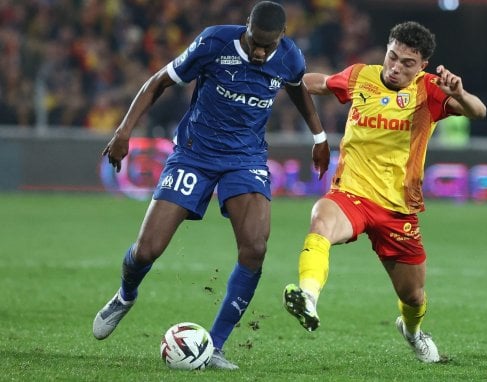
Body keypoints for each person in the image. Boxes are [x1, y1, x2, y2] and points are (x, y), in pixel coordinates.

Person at [92, 1, 330, 370]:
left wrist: (319, 136)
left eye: (268, 45)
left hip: (246, 159)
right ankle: (125, 295)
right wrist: (124, 130)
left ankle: (215, 346)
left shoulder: (289, 57)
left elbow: (298, 88)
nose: (259, 51)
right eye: (254, 41)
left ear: (282, 37)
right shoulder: (213, 43)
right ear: (245, 26)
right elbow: (159, 82)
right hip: (194, 154)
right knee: (148, 249)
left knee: (254, 248)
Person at [282, 21, 486, 363]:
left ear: (422, 66)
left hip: (397, 210)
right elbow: (318, 83)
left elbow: (478, 111)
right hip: (352, 195)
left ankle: (412, 332)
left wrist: (460, 93)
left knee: (414, 296)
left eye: (407, 63)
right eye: (393, 57)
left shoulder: (431, 90)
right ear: (387, 51)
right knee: (320, 218)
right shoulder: (361, 76)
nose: (396, 67)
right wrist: (275, 76)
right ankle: (308, 297)